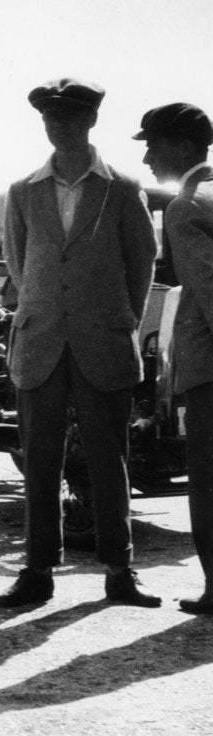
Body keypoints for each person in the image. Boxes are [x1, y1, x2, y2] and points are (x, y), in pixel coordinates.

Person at [0, 78, 159, 608]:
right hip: (41, 341)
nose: (57, 125)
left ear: (90, 122)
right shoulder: (23, 191)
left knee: (109, 458)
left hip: (102, 341)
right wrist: (47, 309)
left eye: (68, 117)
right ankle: (37, 570)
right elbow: (19, 266)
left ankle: (120, 570)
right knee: (40, 459)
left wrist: (117, 321)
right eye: (49, 117)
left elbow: (142, 264)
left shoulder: (121, 188)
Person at [134, 102, 213, 614]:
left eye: (153, 144)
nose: (145, 157)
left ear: (183, 147)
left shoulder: (185, 206)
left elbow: (208, 289)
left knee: (208, 478)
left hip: (211, 368)